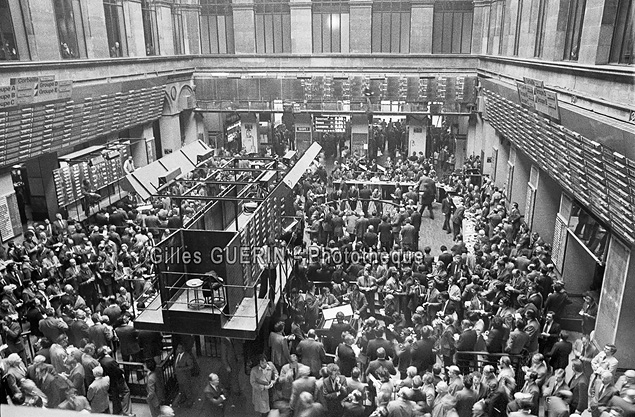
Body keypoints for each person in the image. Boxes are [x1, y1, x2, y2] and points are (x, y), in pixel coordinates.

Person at [174, 343, 196, 407]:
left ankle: (190, 401)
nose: (178, 349)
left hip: (185, 376)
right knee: (181, 388)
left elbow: (191, 366)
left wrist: (181, 369)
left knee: (187, 389)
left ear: (183, 349)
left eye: (179, 348)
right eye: (178, 348)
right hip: (179, 376)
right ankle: (183, 398)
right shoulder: (177, 354)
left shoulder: (187, 356)